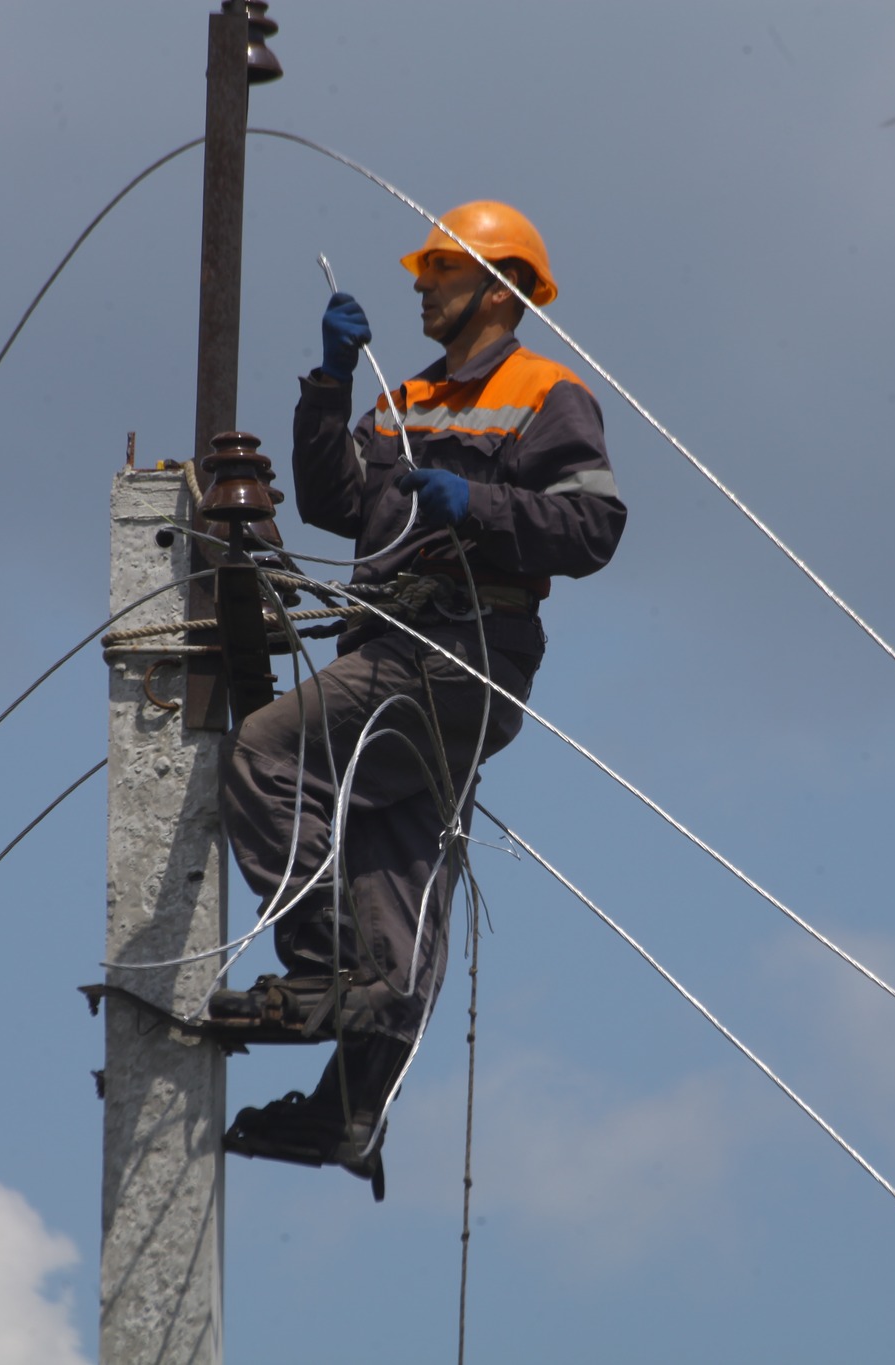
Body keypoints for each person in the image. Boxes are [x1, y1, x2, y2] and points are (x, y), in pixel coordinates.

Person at [214, 201, 626, 1198]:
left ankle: (322, 965)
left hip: (453, 653)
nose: (418, 284)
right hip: (401, 653)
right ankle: (350, 1114)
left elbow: (594, 527)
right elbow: (334, 501)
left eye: (438, 268)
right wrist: (327, 384)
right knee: (395, 897)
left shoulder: (543, 392)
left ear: (496, 285)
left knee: (267, 755)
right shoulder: (405, 397)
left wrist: (479, 505)